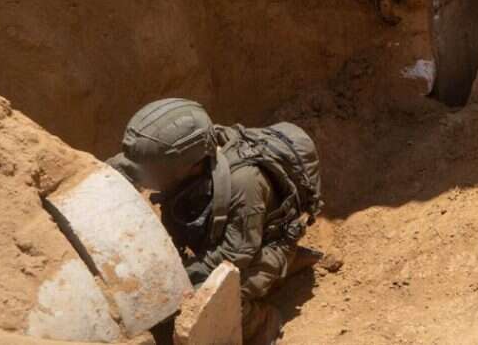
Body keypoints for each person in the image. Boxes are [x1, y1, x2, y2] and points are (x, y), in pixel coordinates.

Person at [107, 98, 323, 345]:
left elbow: (235, 255)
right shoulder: (188, 155)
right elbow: (123, 168)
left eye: (156, 172)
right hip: (226, 236)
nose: (150, 176)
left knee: (203, 302)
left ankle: (261, 324)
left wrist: (173, 280)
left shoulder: (244, 182)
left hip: (261, 248)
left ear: (187, 164)